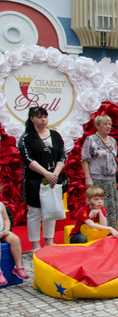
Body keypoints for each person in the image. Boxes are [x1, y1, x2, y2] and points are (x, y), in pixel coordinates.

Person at [18, 106, 66, 250]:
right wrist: (46, 173)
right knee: (34, 212)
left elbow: (62, 156)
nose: (43, 120)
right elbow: (28, 159)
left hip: (53, 178)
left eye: (45, 117)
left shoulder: (55, 135)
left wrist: (55, 173)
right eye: (39, 117)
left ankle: (49, 241)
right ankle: (35, 244)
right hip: (34, 179)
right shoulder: (26, 138)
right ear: (32, 119)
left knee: (51, 210)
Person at [80, 114, 118, 231]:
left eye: (110, 124)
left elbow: (114, 160)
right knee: (97, 205)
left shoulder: (113, 141)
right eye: (105, 124)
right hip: (96, 178)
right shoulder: (90, 140)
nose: (108, 126)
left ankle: (112, 230)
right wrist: (88, 178)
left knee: (111, 206)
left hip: (111, 180)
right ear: (97, 125)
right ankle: (98, 231)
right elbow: (84, 160)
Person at [0, 192, 29, 283]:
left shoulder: (1, 205)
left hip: (2, 231)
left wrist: (6, 230)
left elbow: (6, 219)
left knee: (15, 239)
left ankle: (18, 267)